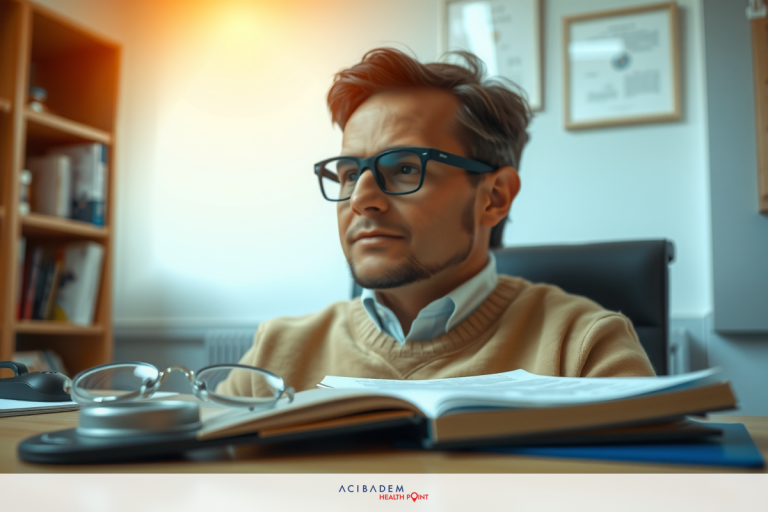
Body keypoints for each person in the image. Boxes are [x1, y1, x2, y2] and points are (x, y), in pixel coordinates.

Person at [219, 48, 654, 396]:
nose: (361, 200)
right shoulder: (273, 356)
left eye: (406, 168)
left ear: (494, 197)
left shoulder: (583, 351)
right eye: (351, 173)